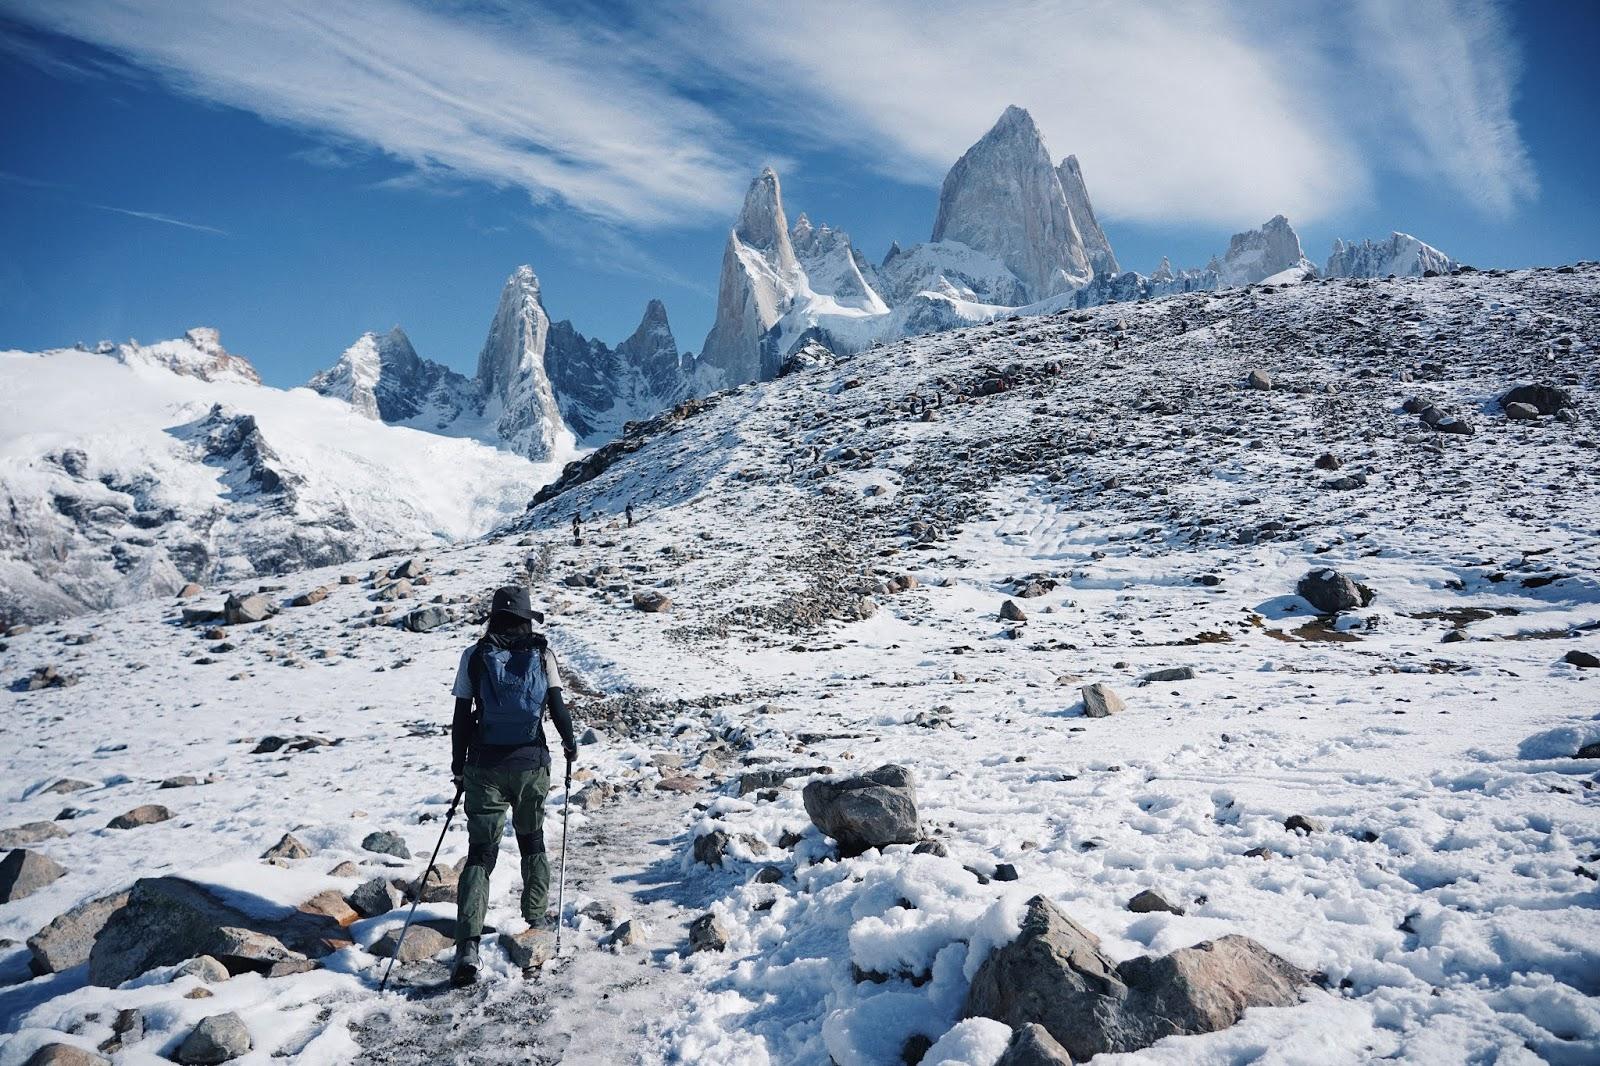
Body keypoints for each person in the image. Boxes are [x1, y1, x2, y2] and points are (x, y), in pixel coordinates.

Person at [448, 586, 577, 987]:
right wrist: (570, 746)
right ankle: (536, 918)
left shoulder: (474, 656)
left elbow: (461, 716)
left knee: (480, 852)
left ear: (492, 617)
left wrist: (458, 767)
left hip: (484, 766)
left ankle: (468, 943)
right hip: (530, 764)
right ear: (527, 618)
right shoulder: (543, 654)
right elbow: (556, 707)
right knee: (532, 840)